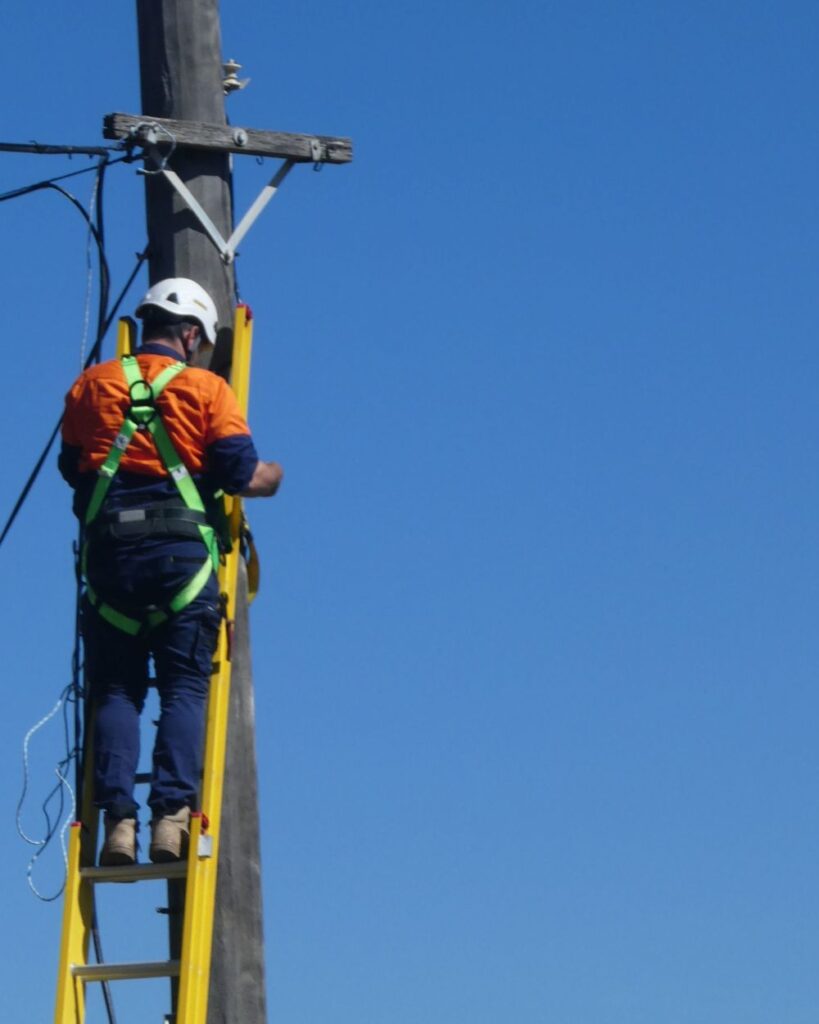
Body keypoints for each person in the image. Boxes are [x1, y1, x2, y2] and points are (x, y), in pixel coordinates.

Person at [59, 277, 282, 865]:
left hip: (111, 563)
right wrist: (274, 477)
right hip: (180, 562)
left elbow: (74, 468)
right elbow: (241, 474)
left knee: (116, 691)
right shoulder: (207, 390)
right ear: (189, 334)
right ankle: (170, 819)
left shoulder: (91, 386)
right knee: (184, 687)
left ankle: (118, 827)